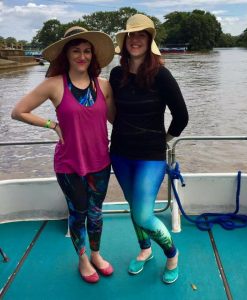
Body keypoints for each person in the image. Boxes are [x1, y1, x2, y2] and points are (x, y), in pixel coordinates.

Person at [11, 26, 115, 284]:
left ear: (93, 55)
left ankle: (96, 254)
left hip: (101, 161)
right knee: (78, 211)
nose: (82, 56)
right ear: (66, 55)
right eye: (76, 51)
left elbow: (116, 119)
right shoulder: (54, 84)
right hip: (69, 163)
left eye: (87, 51)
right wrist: (52, 125)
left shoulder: (103, 85)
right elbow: (19, 111)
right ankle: (82, 259)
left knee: (96, 212)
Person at [109, 14, 189, 284]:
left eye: (141, 35)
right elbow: (112, 112)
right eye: (131, 35)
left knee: (144, 214)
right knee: (134, 208)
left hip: (150, 156)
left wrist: (163, 139)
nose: (135, 39)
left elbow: (182, 116)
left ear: (149, 40)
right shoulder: (117, 74)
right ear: (125, 40)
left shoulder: (161, 75)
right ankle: (145, 251)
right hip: (120, 153)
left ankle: (172, 255)